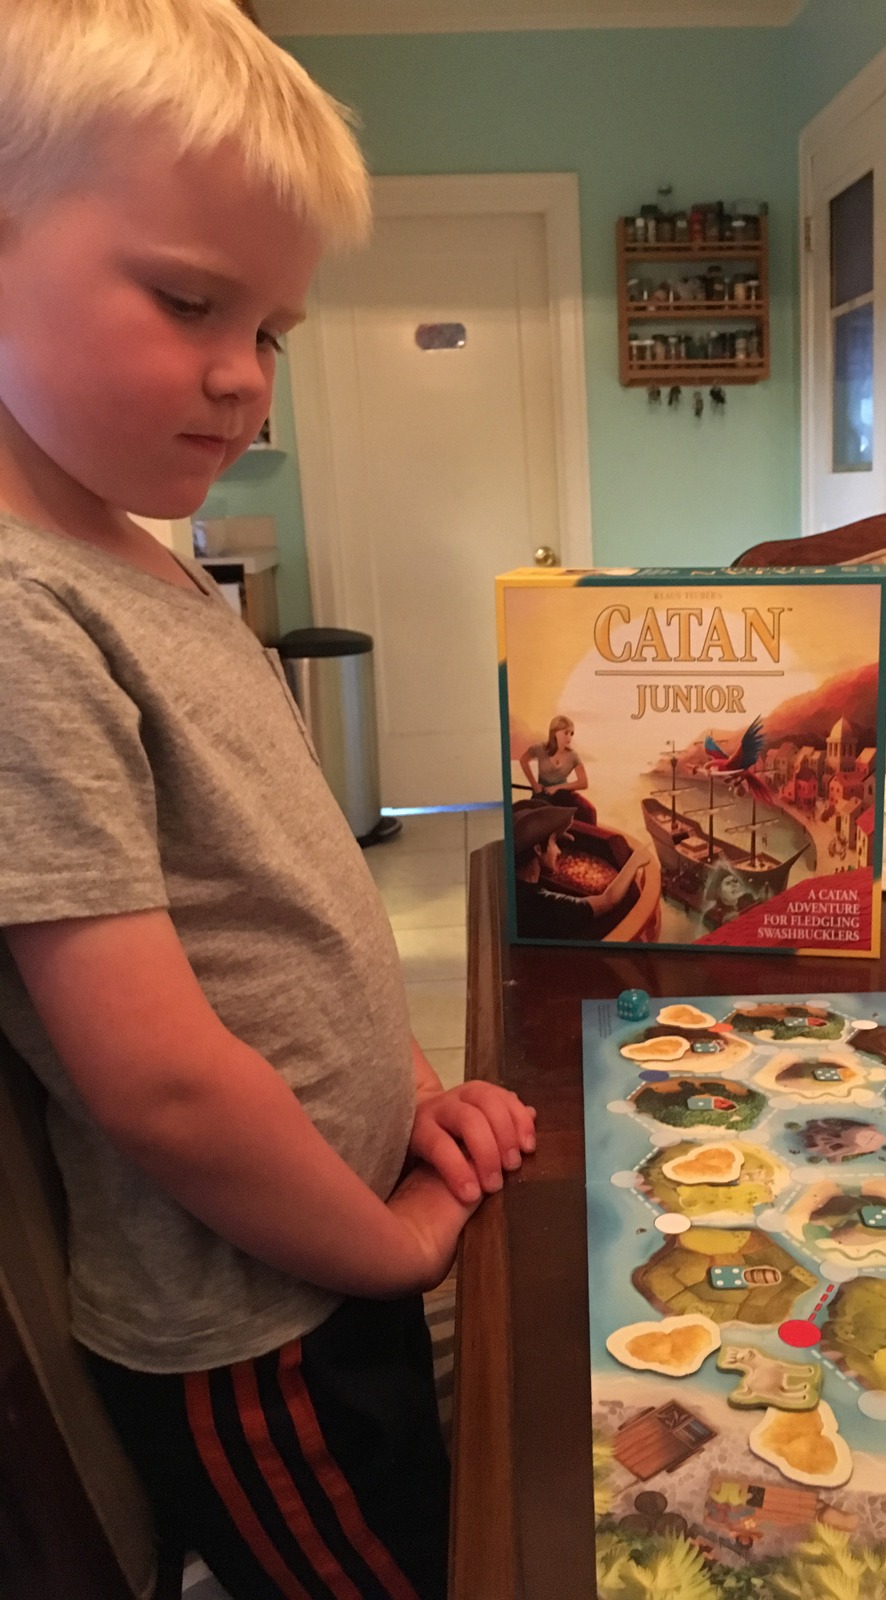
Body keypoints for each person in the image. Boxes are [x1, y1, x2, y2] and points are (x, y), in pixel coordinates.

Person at [0, 4, 536, 1597]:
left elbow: (293, 899)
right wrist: (386, 1246)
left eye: (275, 330)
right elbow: (159, 1082)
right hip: (256, 1328)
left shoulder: (135, 559)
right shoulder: (24, 617)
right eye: (188, 301)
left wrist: (411, 1093)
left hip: (330, 1247)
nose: (243, 379)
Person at [511, 804, 650, 940]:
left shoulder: (514, 887)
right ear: (537, 849)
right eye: (554, 843)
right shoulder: (548, 907)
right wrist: (635, 861)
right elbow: (608, 900)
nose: (558, 851)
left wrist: (549, 841)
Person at [518, 714, 596, 824]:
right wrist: (534, 784)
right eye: (566, 733)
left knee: (589, 811)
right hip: (543, 794)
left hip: (563, 794)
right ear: (555, 732)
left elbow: (583, 783)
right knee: (537, 820)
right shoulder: (540, 749)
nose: (569, 738)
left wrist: (557, 787)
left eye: (571, 733)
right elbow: (523, 761)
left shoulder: (573, 755)